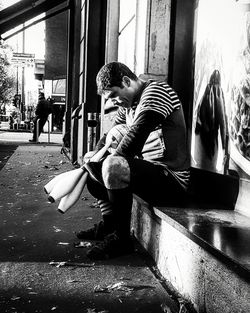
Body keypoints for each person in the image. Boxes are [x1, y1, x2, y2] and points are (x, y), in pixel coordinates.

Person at [77, 62, 190, 260]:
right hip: (149, 174)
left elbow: (133, 141)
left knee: (113, 166)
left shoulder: (156, 91)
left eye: (113, 95)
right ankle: (110, 225)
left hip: (172, 180)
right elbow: (108, 136)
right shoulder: (128, 106)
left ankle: (122, 240)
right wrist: (93, 158)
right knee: (92, 164)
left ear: (126, 81)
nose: (112, 102)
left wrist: (103, 163)